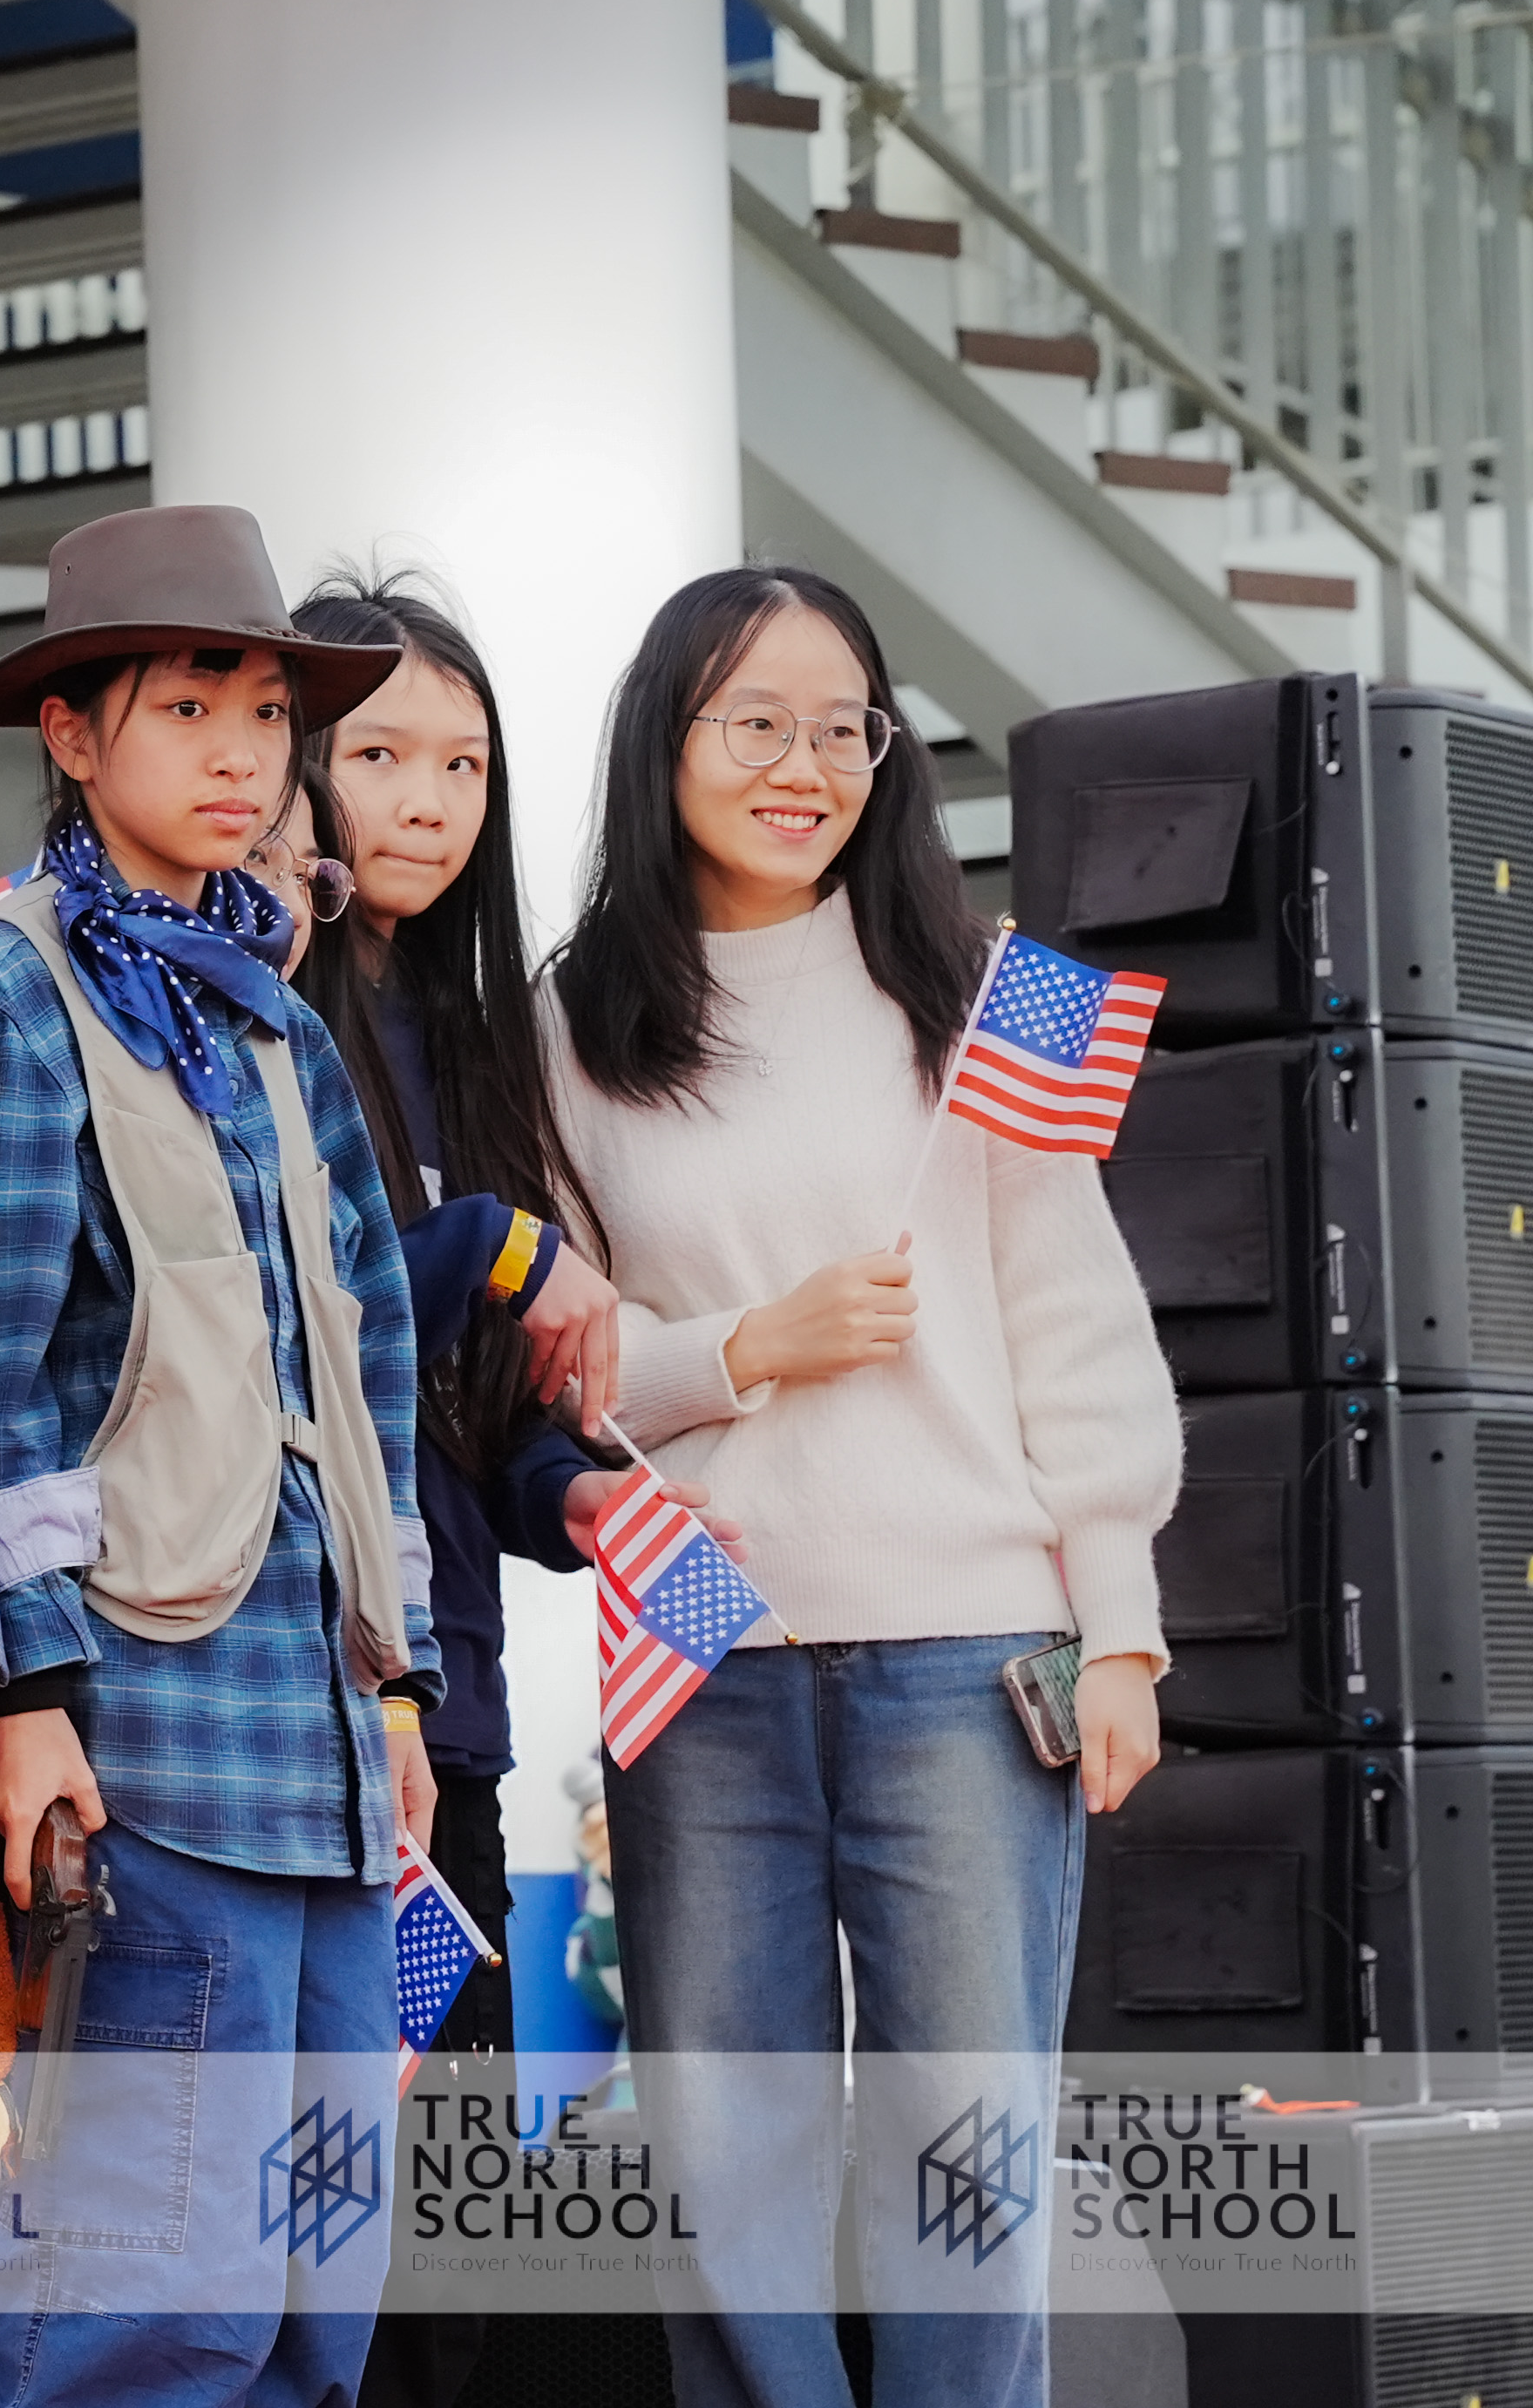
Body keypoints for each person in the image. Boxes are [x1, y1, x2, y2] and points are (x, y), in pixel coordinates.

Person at [543, 564, 1173, 2408]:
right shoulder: (572, 1022)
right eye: (756, 721)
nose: (804, 765)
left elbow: (1076, 1322)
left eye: (844, 727)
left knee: (967, 2159)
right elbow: (557, 1369)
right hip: (703, 1655)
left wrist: (1122, 1626)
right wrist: (746, 1348)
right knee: (724, 2159)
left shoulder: (987, 996)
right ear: (666, 743)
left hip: (973, 1659)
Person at [0, 505, 437, 2408]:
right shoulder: (5, 988)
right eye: (192, 708)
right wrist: (26, 1694)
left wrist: (399, 1680)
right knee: (148, 2302)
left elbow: (368, 1362)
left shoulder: (275, 1016)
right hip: (145, 1734)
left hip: (326, 1755)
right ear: (73, 735)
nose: (244, 756)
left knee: (315, 2316)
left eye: (269, 716)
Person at [278, 580, 621, 2408]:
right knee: (281, 2239)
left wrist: (580, 1499)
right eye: (380, 755)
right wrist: (483, 1241)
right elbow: (293, 1319)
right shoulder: (246, 1011)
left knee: (450, 2243)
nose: (426, 801)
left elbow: (481, 1414)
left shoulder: (478, 1045)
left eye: (465, 765)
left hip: (450, 1731)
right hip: (271, 1716)